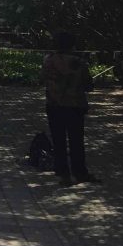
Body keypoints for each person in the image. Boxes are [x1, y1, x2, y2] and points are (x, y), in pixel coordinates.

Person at [42, 31, 99, 186]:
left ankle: (63, 174)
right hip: (74, 106)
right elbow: (88, 85)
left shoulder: (48, 60)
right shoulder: (79, 62)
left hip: (54, 105)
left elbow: (44, 79)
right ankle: (80, 172)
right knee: (76, 141)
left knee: (58, 140)